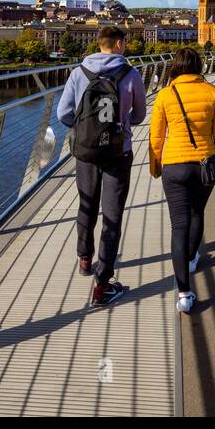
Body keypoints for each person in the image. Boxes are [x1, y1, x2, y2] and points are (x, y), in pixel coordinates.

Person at [57, 25, 146, 307]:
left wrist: (85, 130)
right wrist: (121, 127)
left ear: (100, 43)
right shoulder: (131, 74)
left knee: (86, 205)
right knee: (112, 215)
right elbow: (140, 114)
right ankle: (103, 284)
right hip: (119, 153)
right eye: (125, 43)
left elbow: (63, 114)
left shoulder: (78, 73)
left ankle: (84, 258)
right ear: (118, 44)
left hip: (85, 153)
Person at [149, 47, 215, 313]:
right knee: (197, 213)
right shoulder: (212, 92)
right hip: (205, 164)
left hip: (175, 165)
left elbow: (156, 136)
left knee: (178, 226)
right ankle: (193, 257)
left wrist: (155, 166)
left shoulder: (165, 94)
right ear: (199, 65)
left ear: (175, 67)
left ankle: (184, 293)